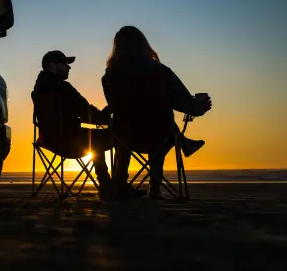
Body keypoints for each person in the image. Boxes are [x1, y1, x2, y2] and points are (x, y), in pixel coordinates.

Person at [101, 26, 213, 199]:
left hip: (124, 137)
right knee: (161, 128)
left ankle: (120, 184)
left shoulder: (109, 76)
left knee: (127, 125)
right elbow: (182, 102)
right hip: (158, 135)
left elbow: (115, 106)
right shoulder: (162, 72)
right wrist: (201, 106)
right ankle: (155, 188)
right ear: (144, 45)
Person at [33, 50, 146, 199]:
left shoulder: (38, 90)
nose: (69, 68)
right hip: (71, 141)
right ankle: (114, 185)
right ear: (53, 66)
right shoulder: (63, 88)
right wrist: (108, 114)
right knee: (121, 136)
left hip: (51, 142)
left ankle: (107, 184)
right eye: (65, 64)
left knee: (95, 137)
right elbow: (87, 112)